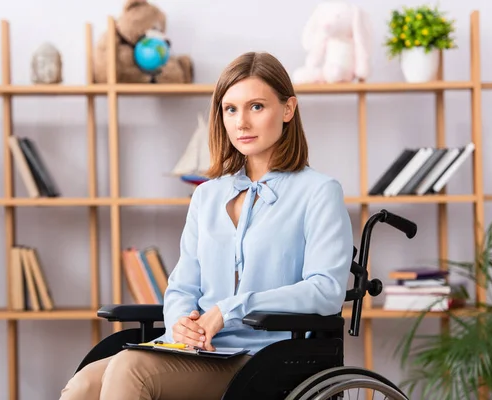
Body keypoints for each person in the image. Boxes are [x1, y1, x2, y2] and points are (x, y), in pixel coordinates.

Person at [59, 51, 353, 400]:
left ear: (288, 109)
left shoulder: (319, 192)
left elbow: (325, 290)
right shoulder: (207, 196)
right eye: (231, 109)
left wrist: (229, 309)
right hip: (197, 349)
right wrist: (181, 322)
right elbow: (183, 286)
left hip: (263, 357)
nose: (241, 122)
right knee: (84, 384)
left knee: (129, 369)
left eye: (256, 107)